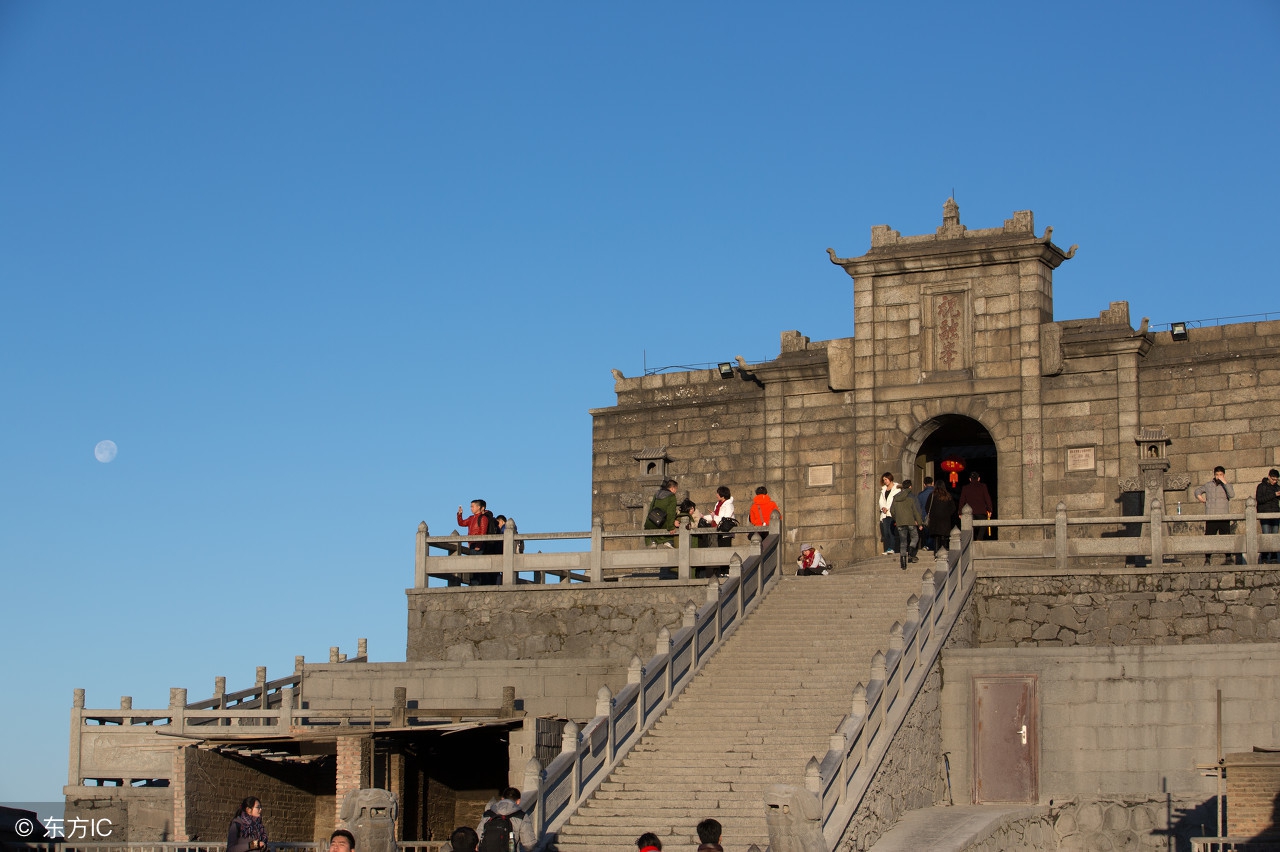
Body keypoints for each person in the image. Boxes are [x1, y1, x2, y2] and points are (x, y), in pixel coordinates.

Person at [1195, 465, 1237, 565]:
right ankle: (1208, 558)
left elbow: (1232, 495)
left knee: (1225, 537)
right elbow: (1197, 490)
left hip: (1223, 516)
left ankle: (1228, 558)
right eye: (1217, 474)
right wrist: (1199, 497)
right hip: (1211, 516)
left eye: (1221, 474)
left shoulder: (1227, 485)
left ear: (1224, 474)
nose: (1219, 476)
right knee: (1209, 538)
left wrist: (1225, 482)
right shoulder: (1208, 485)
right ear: (1214, 475)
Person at [476, 786, 535, 852]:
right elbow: (529, 844)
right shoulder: (521, 816)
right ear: (518, 801)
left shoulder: (488, 814)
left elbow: (478, 837)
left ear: (502, 798)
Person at [891, 479, 924, 565]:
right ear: (910, 487)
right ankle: (911, 550)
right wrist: (919, 522)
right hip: (911, 522)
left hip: (900, 523)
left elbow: (892, 511)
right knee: (915, 537)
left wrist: (897, 519)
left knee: (903, 541)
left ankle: (903, 559)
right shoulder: (912, 498)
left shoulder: (896, 498)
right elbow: (917, 511)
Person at [644, 479, 679, 547]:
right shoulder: (671, 497)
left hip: (650, 522)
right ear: (672, 488)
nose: (676, 491)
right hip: (660, 523)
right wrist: (671, 527)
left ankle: (653, 541)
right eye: (676, 489)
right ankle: (669, 542)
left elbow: (651, 508)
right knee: (675, 531)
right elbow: (670, 513)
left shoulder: (657, 494)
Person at [959, 472, 994, 540]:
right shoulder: (983, 486)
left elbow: (962, 501)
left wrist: (960, 512)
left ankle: (971, 540)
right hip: (981, 511)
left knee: (970, 527)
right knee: (982, 526)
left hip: (969, 513)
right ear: (979, 478)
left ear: (970, 479)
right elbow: (987, 498)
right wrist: (990, 510)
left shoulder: (965, 488)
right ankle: (979, 539)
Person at [1256, 469, 1280, 564]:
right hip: (1264, 513)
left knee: (1274, 535)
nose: (1274, 481)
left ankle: (1274, 556)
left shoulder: (1277, 487)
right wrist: (1274, 495)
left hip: (1275, 514)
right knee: (1266, 535)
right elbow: (1260, 499)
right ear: (1269, 477)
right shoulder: (1261, 486)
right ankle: (1264, 556)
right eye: (1273, 479)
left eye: (1276, 480)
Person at [925, 485, 958, 553]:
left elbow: (927, 507)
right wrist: (948, 514)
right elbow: (953, 508)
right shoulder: (947, 495)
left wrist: (932, 514)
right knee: (944, 537)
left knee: (936, 537)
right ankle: (944, 552)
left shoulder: (932, 495)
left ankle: (936, 553)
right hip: (945, 521)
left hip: (935, 521)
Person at [878, 473, 900, 555]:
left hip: (892, 513)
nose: (885, 481)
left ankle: (892, 548)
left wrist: (887, 508)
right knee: (886, 532)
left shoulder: (897, 488)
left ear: (890, 479)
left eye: (886, 479)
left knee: (891, 531)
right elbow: (881, 501)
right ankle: (888, 548)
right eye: (884, 480)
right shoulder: (883, 489)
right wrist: (883, 507)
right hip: (884, 513)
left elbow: (894, 501)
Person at [915, 477, 935, 552]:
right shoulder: (936, 493)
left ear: (924, 484)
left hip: (924, 518)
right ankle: (930, 547)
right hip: (934, 517)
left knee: (926, 535)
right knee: (933, 535)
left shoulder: (920, 495)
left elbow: (917, 508)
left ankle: (926, 546)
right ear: (933, 483)